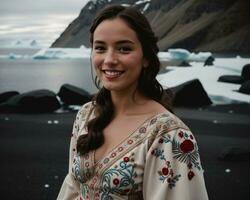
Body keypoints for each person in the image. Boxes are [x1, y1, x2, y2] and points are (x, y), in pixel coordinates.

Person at [57, 5, 209, 200]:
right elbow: (72, 186)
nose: (109, 59)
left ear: (146, 57)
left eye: (124, 48)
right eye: (100, 48)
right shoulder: (87, 114)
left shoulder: (169, 134)